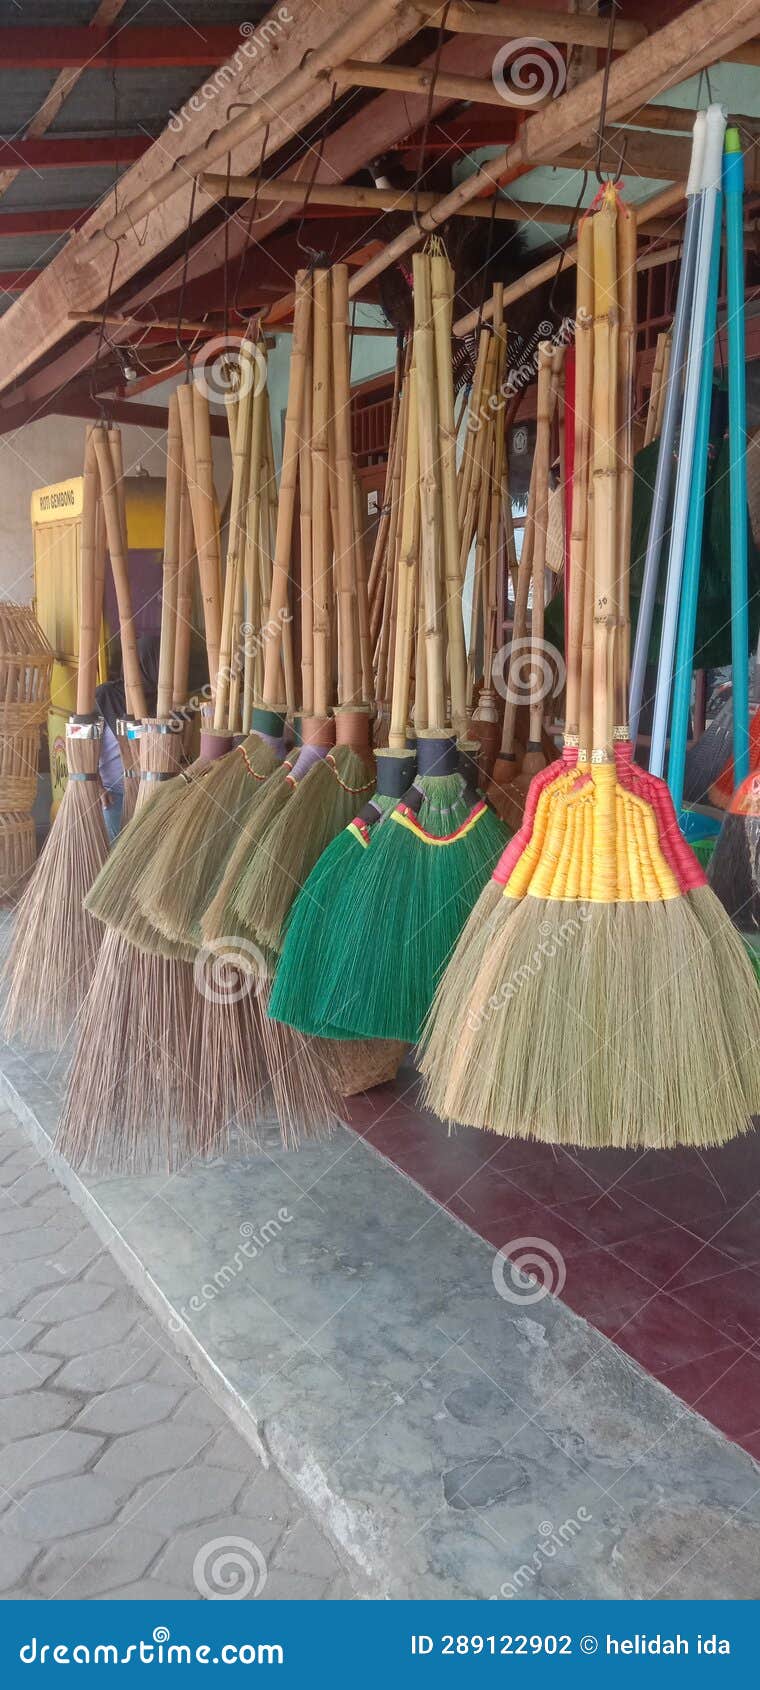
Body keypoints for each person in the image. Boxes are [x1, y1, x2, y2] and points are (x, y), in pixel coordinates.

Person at [95, 634, 160, 844]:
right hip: (112, 795)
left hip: (150, 793)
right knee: (118, 851)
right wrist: (96, 787)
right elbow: (80, 744)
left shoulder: (163, 703)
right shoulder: (105, 696)